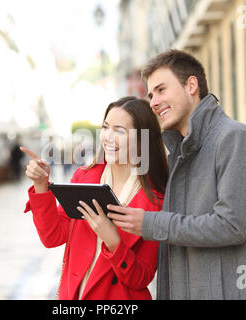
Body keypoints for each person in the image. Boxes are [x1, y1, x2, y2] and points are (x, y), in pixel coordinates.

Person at [108, 50, 246, 300]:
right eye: (151, 95)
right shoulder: (179, 154)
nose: (153, 102)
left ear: (191, 85)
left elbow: (231, 225)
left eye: (161, 90)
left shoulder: (234, 138)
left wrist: (151, 223)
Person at [22, 97, 168, 300]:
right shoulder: (85, 178)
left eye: (119, 131)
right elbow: (52, 236)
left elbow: (141, 278)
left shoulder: (156, 201)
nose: (107, 137)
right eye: (106, 127)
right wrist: (40, 185)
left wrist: (113, 241)